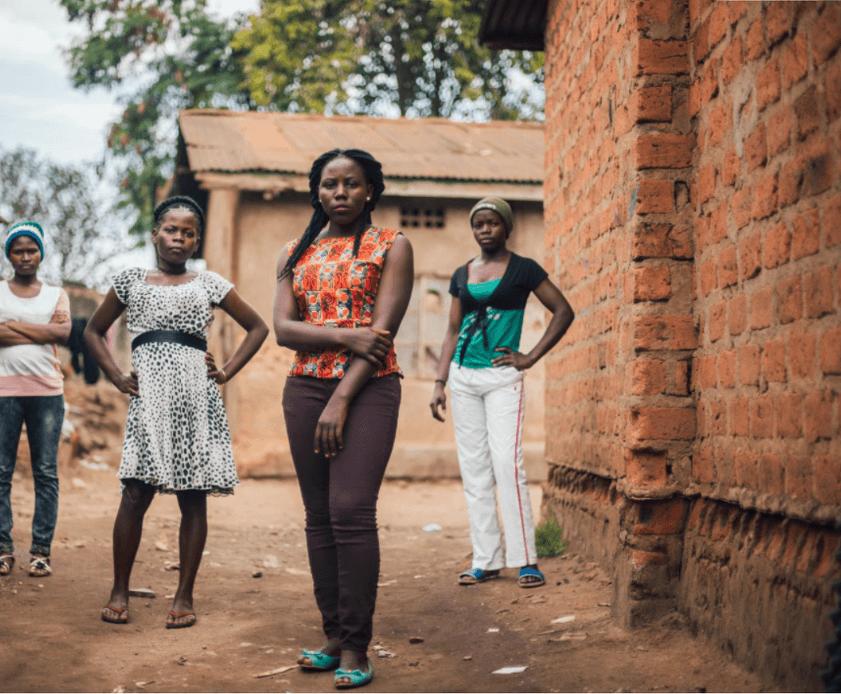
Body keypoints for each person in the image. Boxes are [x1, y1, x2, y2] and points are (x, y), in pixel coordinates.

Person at [85, 195, 267, 629]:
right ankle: (119, 590)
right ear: (155, 234)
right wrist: (113, 375)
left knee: (193, 497)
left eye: (188, 232)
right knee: (134, 493)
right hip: (148, 400)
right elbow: (93, 331)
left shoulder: (209, 284)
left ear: (196, 239)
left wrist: (224, 372)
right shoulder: (130, 280)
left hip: (194, 400)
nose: (178, 238)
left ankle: (184, 596)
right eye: (171, 230)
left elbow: (259, 327)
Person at [274, 149, 413, 690]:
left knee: (351, 510)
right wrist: (344, 334)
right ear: (317, 191)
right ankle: (332, 635)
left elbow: (381, 336)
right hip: (304, 386)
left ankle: (357, 644)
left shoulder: (392, 245)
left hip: (370, 387)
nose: (340, 193)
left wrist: (341, 398)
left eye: (352, 184)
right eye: (330, 184)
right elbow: (285, 329)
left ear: (371, 190)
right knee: (318, 516)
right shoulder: (293, 251)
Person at [429, 196, 574, 589]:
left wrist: (530, 356)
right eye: (479, 224)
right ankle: (485, 559)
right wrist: (440, 382)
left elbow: (563, 311)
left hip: (501, 379)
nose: (485, 230)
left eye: (493, 223)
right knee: (474, 471)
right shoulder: (462, 274)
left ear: (506, 228)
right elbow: (451, 330)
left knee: (508, 466)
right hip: (462, 379)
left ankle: (526, 559)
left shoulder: (524, 269)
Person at [0, 222, 72, 578]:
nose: (26, 256)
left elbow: (62, 333)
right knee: (0, 473)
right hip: (2, 391)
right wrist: (39, 330)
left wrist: (11, 325)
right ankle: (3, 550)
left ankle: (40, 552)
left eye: (32, 250)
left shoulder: (56, 294)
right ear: (9, 255)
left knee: (45, 473)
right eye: (18, 250)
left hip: (46, 392)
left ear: (41, 253)